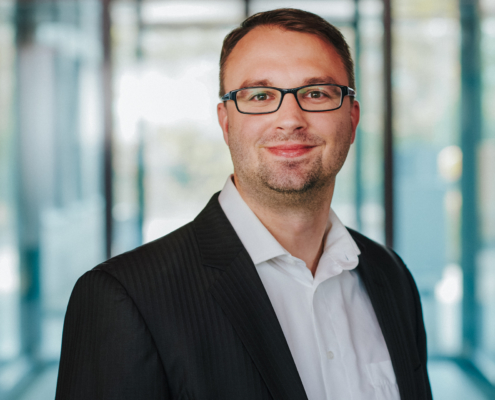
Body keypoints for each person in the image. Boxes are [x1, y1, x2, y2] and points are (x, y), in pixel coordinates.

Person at [56, 8, 432, 400]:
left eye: (316, 93)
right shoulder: (123, 297)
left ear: (352, 119)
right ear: (226, 122)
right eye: (260, 96)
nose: (290, 119)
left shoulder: (391, 277)